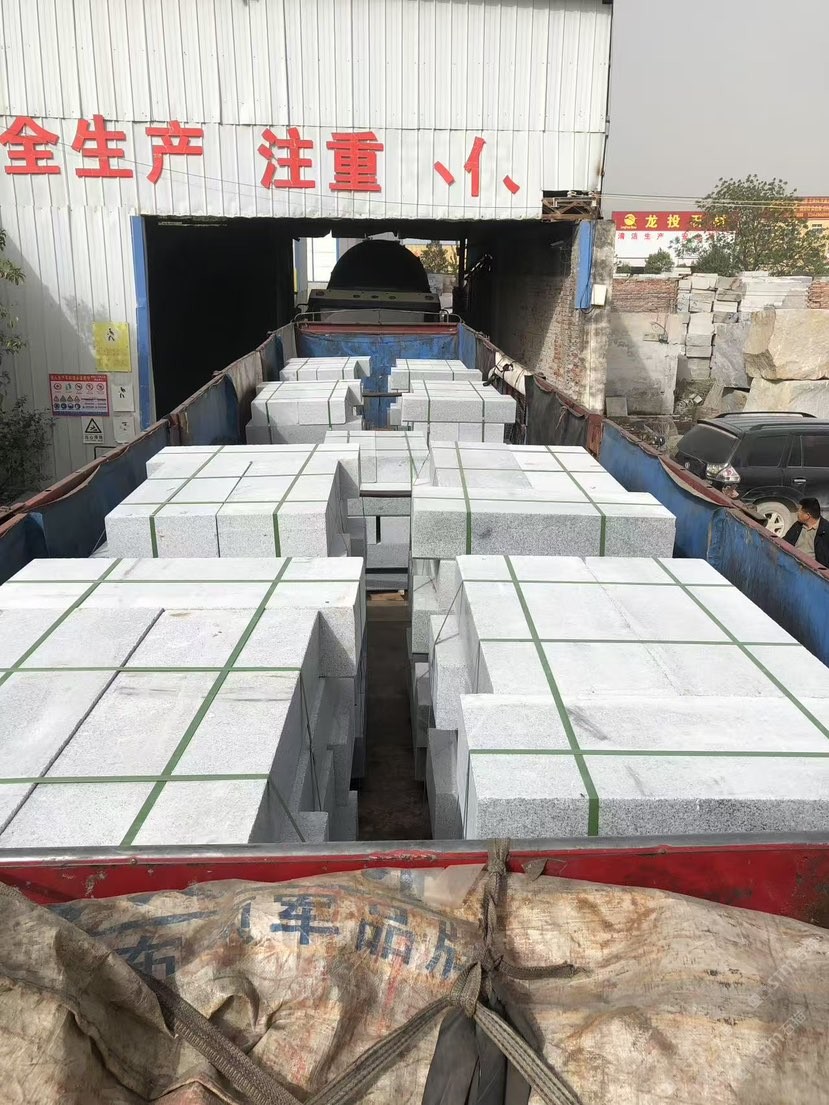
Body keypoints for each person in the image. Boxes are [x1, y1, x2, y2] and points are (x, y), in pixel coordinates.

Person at [783, 498, 829, 568]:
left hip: (810, 570)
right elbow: (785, 541)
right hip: (791, 562)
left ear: (807, 515)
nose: (797, 513)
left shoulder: (825, 531)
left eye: (799, 511)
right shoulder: (798, 525)